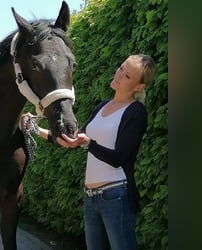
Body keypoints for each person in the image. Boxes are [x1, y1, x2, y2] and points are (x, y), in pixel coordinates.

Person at [22, 54, 156, 250]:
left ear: (139, 87)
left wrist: (89, 144)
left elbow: (118, 158)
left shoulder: (136, 112)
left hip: (116, 195)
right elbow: (73, 140)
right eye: (121, 68)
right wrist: (33, 128)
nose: (119, 75)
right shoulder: (103, 106)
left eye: (127, 76)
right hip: (90, 196)